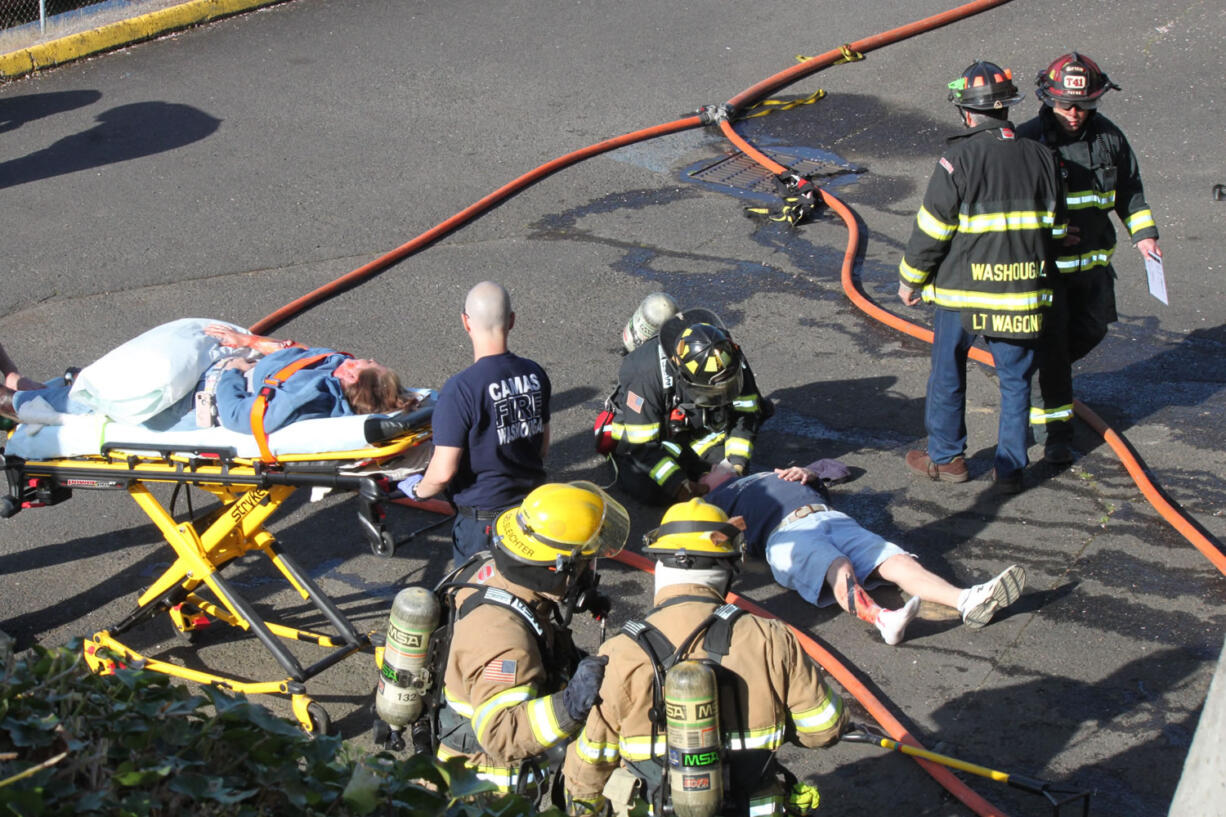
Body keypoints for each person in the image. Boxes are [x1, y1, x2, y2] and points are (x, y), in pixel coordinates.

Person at [563, 498, 845, 817]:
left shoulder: (620, 651)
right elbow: (824, 729)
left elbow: (589, 765)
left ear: (659, 564)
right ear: (728, 566)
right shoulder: (771, 638)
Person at [898, 61, 1065, 494]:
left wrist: (910, 280)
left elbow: (933, 229)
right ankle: (1010, 469)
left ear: (966, 113)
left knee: (948, 372)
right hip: (1021, 293)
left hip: (962, 294)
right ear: (1007, 107)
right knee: (1016, 381)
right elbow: (1057, 229)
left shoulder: (958, 159)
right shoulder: (1044, 156)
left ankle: (947, 459)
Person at [436, 481, 629, 804]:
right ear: (555, 570)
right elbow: (500, 733)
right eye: (584, 565)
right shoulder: (506, 643)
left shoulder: (492, 572)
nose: (589, 575)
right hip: (488, 794)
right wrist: (569, 705)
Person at [1017, 53, 1161, 464]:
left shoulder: (1109, 139)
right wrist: (1048, 234)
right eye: (1066, 105)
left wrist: (1144, 235)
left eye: (1084, 105)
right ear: (1048, 99)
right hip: (1049, 273)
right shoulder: (1030, 142)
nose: (1075, 114)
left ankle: (1036, 372)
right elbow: (1012, 209)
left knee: (1094, 330)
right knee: (1057, 349)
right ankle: (1057, 436)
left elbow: (1130, 190)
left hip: (1094, 266)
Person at [703, 462, 1026, 645]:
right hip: (787, 534)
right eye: (709, 470)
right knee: (838, 565)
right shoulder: (716, 501)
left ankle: (966, 600)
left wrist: (809, 474)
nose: (717, 465)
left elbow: (839, 469)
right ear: (704, 485)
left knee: (894, 559)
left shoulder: (767, 474)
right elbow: (709, 538)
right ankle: (884, 620)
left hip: (829, 517)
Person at [0, 322, 411, 432]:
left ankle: (14, 398)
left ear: (357, 382)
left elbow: (243, 417)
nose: (359, 358)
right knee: (77, 391)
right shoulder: (327, 372)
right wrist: (247, 340)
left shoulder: (312, 395)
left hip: (187, 400)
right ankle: (17, 380)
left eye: (362, 366)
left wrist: (234, 371)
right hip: (208, 372)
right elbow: (290, 353)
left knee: (79, 403)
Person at [398, 282, 551, 565]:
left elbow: (443, 472)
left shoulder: (461, 390)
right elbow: (542, 447)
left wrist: (418, 490)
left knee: (475, 601)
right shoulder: (535, 374)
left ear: (465, 323)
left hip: (484, 526)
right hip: (532, 515)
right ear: (512, 320)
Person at [603, 306, 770, 506]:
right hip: (655, 440)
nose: (726, 396)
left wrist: (734, 466)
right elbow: (642, 446)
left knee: (727, 481)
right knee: (647, 486)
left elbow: (748, 411)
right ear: (683, 376)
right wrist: (680, 486)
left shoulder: (725, 355)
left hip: (700, 431)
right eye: (715, 393)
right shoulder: (645, 376)